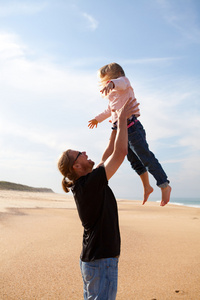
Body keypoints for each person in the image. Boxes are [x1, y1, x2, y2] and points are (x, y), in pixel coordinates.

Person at [57, 98, 139, 300]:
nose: (85, 152)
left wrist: (114, 125)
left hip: (94, 260)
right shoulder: (89, 185)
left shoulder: (87, 183)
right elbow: (120, 153)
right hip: (100, 260)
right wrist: (122, 121)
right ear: (76, 167)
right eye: (80, 154)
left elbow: (109, 151)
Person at [88, 62, 171, 206]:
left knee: (145, 156)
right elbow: (109, 111)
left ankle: (164, 184)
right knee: (134, 161)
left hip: (132, 127)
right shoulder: (113, 96)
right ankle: (147, 186)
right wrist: (97, 119)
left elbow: (120, 83)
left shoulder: (124, 82)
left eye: (109, 80)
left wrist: (112, 84)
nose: (107, 84)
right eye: (106, 82)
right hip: (120, 130)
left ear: (117, 75)